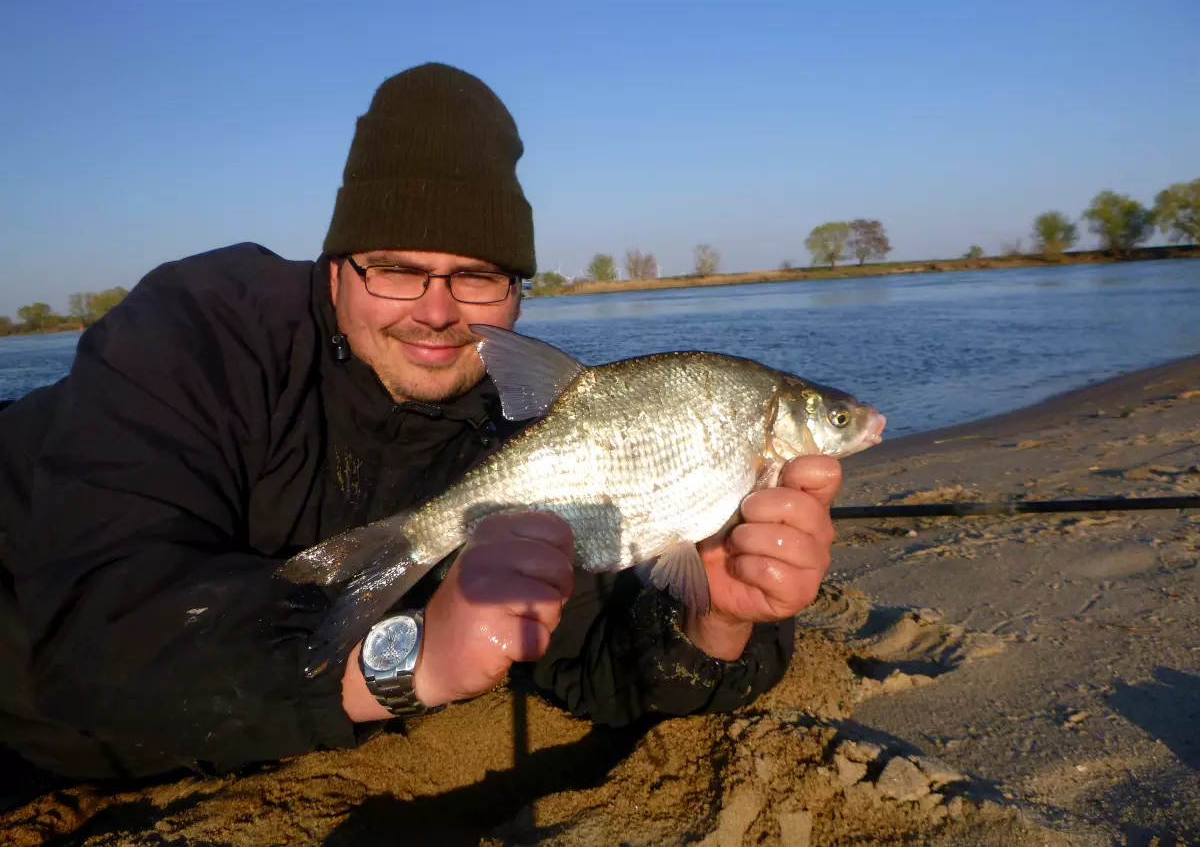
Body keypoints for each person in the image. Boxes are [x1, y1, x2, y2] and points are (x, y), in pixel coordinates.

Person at [0, 62, 842, 781]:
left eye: (477, 276)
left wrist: (717, 617)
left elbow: (596, 667)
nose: (436, 312)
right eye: (397, 268)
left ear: (516, 292)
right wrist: (405, 662)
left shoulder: (525, 429)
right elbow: (92, 638)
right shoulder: (195, 333)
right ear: (336, 272)